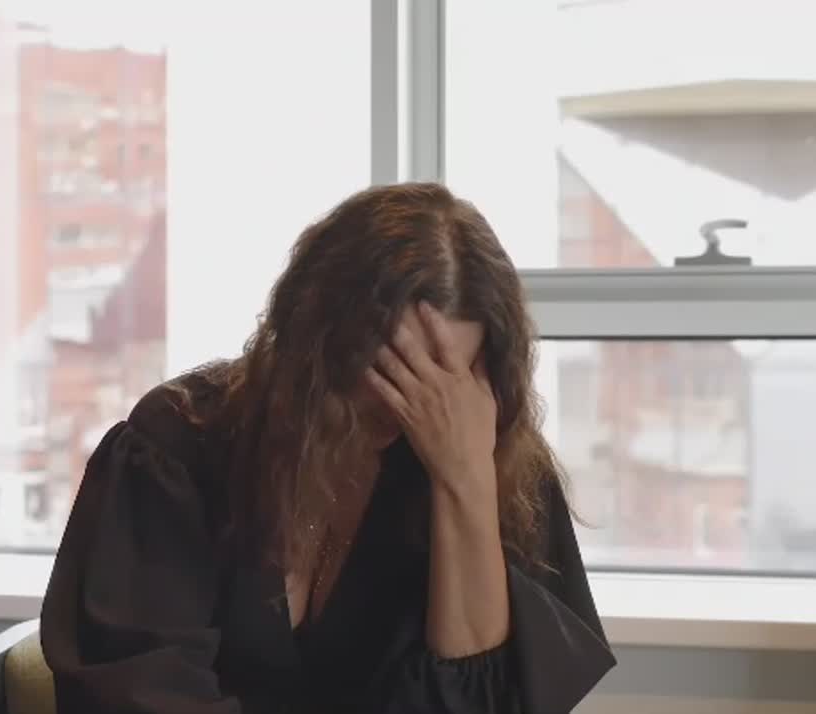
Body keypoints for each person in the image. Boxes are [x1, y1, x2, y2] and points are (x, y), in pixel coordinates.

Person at [40, 183, 616, 713]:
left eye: (443, 380)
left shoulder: (498, 474)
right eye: (391, 371)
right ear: (311, 341)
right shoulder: (179, 449)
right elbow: (138, 693)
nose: (409, 406)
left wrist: (463, 482)